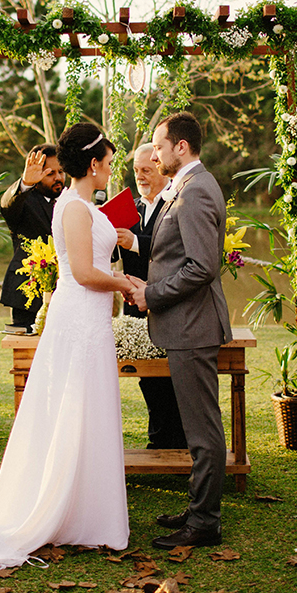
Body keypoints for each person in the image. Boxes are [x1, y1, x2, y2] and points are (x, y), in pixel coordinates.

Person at [0, 123, 132, 576]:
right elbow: (86, 274)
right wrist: (126, 284)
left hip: (88, 318)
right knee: (73, 406)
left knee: (88, 408)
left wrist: (123, 255)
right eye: (108, 162)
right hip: (79, 318)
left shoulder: (80, 204)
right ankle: (63, 508)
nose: (111, 169)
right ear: (92, 164)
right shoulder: (73, 208)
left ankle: (87, 509)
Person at [129, 112, 232, 550]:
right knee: (196, 427)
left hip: (193, 326)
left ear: (181, 147)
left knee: (202, 430)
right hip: (184, 325)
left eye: (158, 146)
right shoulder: (186, 188)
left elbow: (202, 267)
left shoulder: (195, 193)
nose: (154, 154)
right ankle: (196, 508)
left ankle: (205, 522)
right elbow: (174, 253)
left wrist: (152, 294)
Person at [115, 143, 187, 450]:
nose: (141, 176)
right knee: (147, 377)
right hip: (134, 308)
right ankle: (159, 438)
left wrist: (133, 241)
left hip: (167, 302)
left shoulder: (177, 203)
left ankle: (178, 441)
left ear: (161, 168)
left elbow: (175, 248)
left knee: (172, 377)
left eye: (147, 170)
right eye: (136, 171)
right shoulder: (129, 207)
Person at [0, 144, 66, 330]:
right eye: (50, 173)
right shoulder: (24, 199)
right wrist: (25, 183)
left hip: (67, 293)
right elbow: (7, 206)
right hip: (27, 296)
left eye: (61, 172)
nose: (58, 178)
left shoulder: (71, 200)